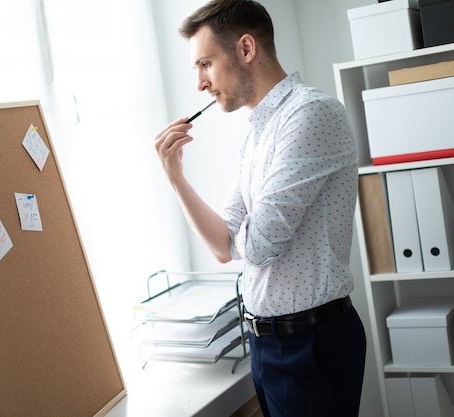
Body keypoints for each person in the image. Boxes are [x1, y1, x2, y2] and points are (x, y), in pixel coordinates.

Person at [153, 1, 367, 416]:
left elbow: (256, 246)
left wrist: (243, 233)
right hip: (269, 344)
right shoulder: (258, 133)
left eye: (205, 64)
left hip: (310, 343)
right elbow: (222, 244)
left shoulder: (310, 115)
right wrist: (175, 177)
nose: (200, 83)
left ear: (246, 49)